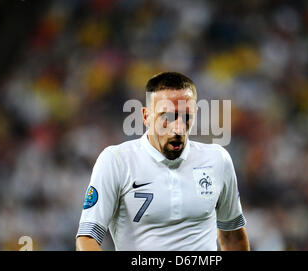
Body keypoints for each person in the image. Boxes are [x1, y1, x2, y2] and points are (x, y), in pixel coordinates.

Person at [75, 72, 250, 251]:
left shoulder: (217, 159)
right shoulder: (117, 161)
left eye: (186, 116)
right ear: (146, 116)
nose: (178, 127)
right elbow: (87, 238)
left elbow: (231, 236)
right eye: (167, 116)